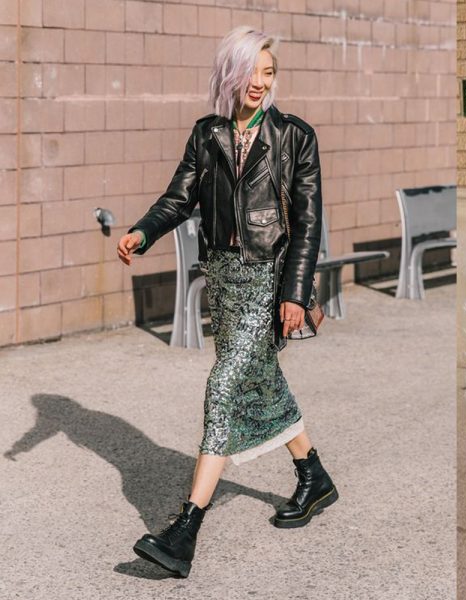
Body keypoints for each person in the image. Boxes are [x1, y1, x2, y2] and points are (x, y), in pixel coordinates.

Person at [116, 26, 338, 578]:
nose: (261, 83)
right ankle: (313, 475)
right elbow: (179, 197)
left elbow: (308, 223)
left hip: (268, 276)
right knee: (259, 378)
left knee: (225, 385)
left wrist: (294, 293)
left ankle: (186, 528)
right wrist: (143, 232)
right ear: (230, 74)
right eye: (252, 72)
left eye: (269, 72)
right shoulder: (207, 133)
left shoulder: (294, 136)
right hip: (222, 275)